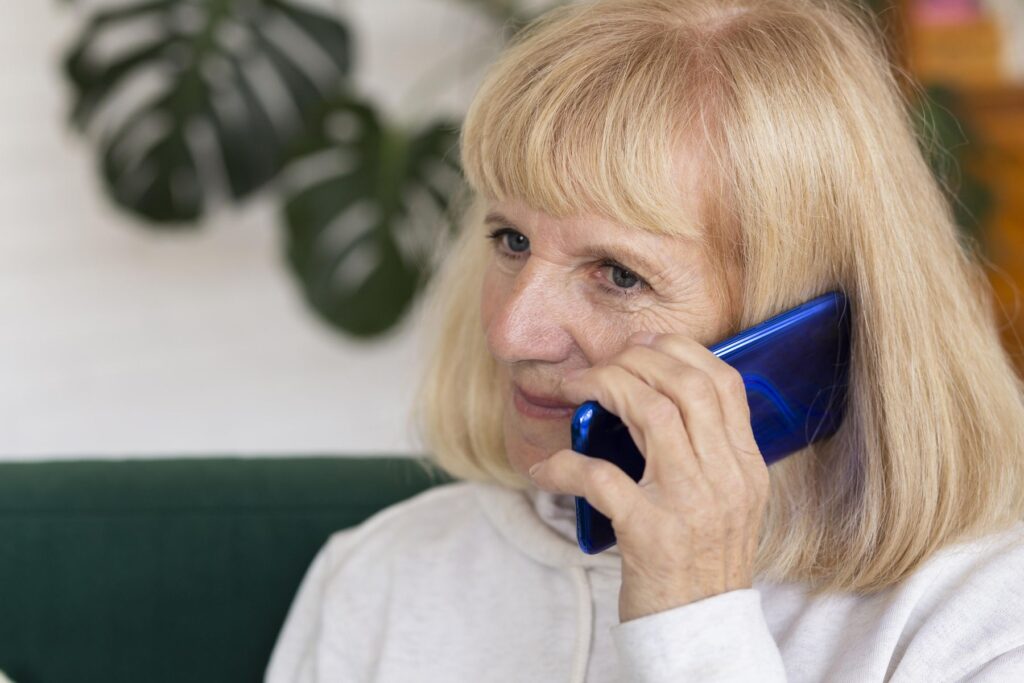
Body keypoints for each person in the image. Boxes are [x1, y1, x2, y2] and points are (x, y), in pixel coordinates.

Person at [265, 0, 1024, 680]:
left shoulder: (981, 621)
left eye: (620, 275)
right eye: (511, 238)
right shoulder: (380, 576)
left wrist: (695, 617)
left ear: (801, 332)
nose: (509, 331)